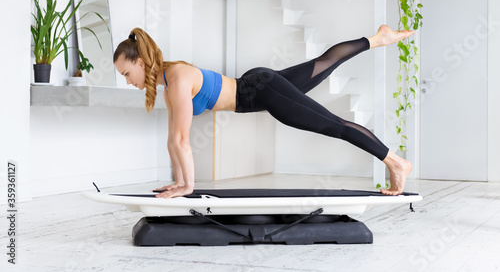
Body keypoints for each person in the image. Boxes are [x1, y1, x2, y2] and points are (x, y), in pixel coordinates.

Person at [113, 25, 414, 199]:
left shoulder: (176, 79)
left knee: (332, 124)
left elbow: (182, 141)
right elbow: (172, 140)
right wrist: (179, 182)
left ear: (140, 63)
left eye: (127, 73)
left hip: (262, 90)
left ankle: (395, 161)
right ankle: (379, 38)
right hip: (259, 84)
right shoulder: (170, 83)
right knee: (323, 63)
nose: (128, 81)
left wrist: (188, 186)